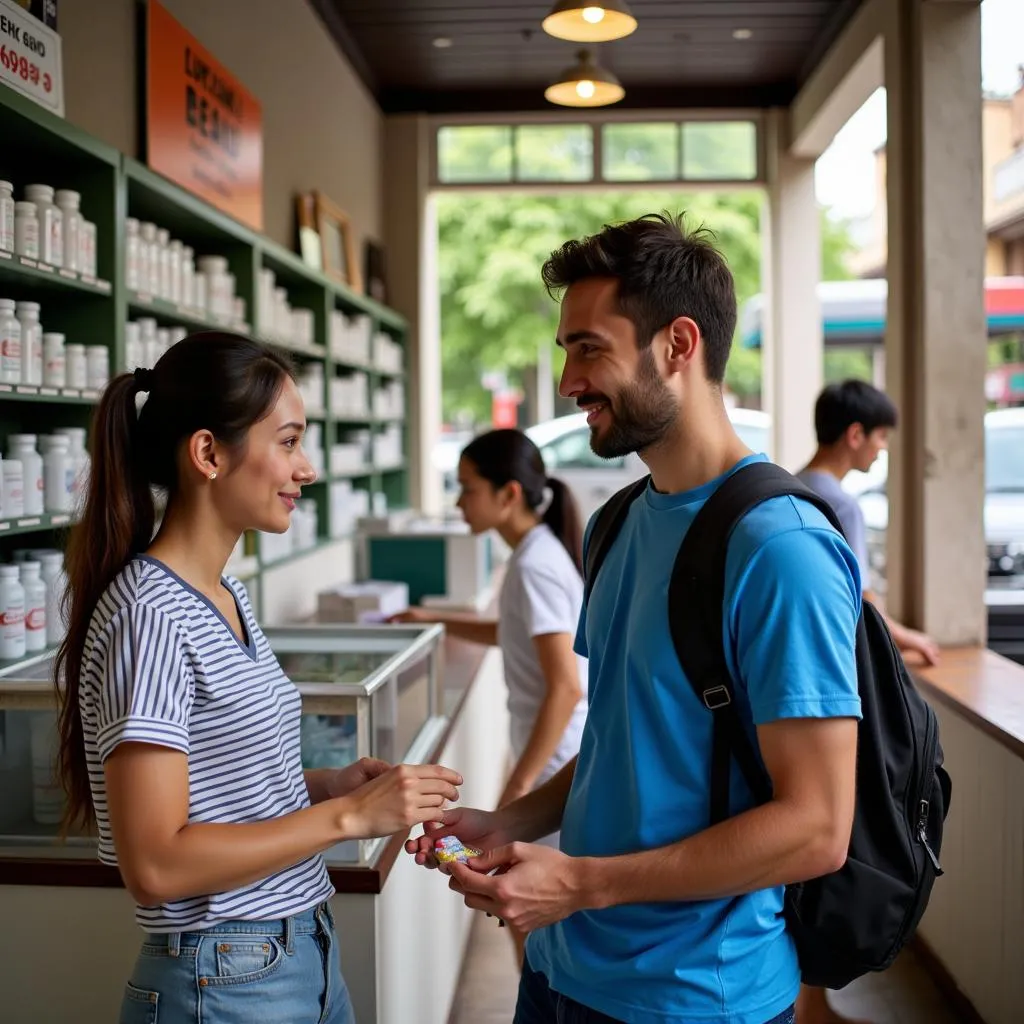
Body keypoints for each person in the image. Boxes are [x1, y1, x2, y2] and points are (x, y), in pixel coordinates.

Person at [407, 213, 863, 1024]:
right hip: (560, 971)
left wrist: (580, 882)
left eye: (589, 348)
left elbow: (816, 828)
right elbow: (622, 745)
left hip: (693, 997)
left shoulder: (780, 548)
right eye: (565, 351)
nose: (566, 380)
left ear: (677, 345)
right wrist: (508, 821)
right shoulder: (618, 522)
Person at [54, 332, 462, 1024]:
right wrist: (349, 816)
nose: (306, 469)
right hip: (226, 979)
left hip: (299, 949)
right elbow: (155, 862)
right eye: (288, 442)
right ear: (209, 453)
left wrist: (328, 786)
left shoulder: (224, 595)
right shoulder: (149, 613)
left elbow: (213, 796)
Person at [390, 428, 589, 965]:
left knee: (528, 923)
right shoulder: (533, 555)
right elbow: (514, 632)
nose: (458, 502)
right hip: (552, 759)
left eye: (468, 488)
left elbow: (566, 687)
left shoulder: (534, 566)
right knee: (524, 922)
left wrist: (518, 787)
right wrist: (435, 619)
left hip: (553, 766)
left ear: (509, 495)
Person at [797, 380, 940, 668]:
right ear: (856, 434)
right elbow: (863, 598)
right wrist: (908, 638)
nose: (883, 448)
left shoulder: (792, 484)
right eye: (882, 436)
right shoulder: (842, 507)